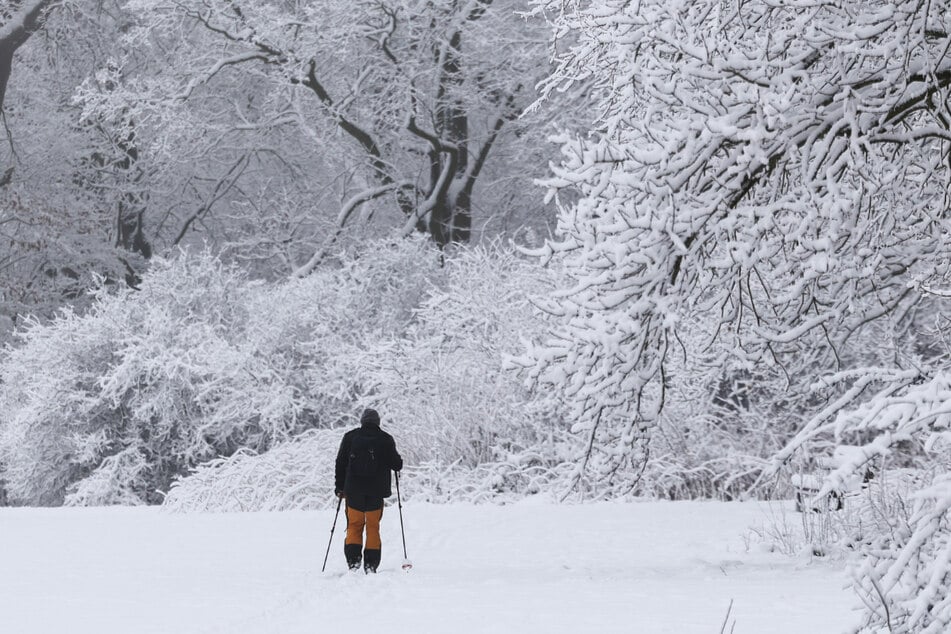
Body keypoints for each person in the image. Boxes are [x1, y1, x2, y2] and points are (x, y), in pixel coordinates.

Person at [334, 408, 403, 573]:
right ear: (378, 422)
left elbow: (340, 462)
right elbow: (397, 464)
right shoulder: (385, 439)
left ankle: (353, 562)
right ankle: (371, 565)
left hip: (353, 491)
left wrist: (339, 487)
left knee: (354, 525)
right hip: (376, 493)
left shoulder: (350, 437)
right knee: (373, 526)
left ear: (362, 421)